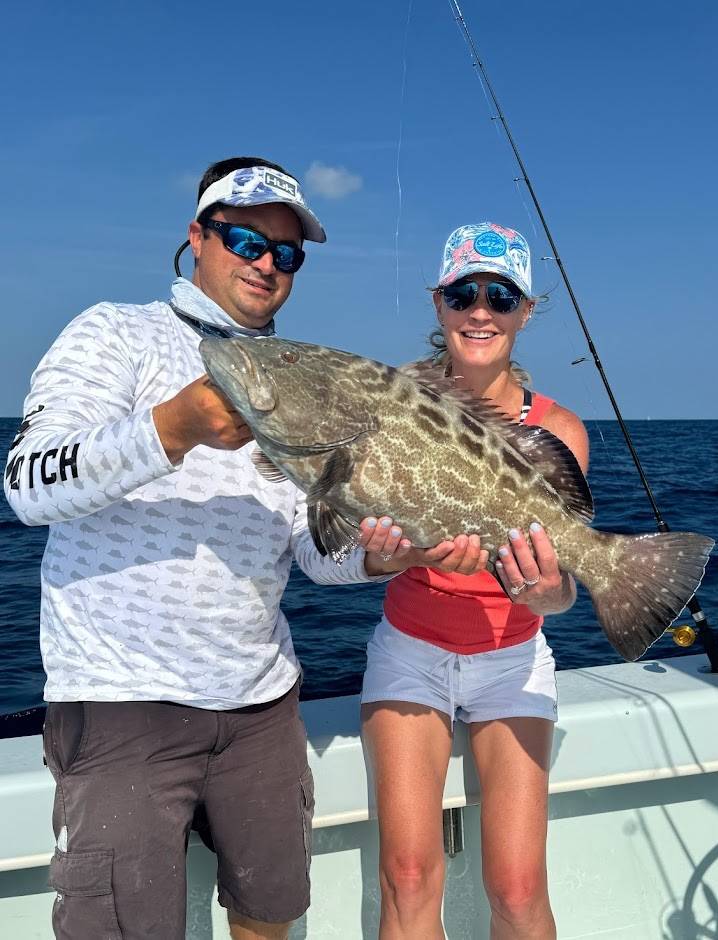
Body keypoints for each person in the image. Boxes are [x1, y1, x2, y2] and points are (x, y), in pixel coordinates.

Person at [2, 157, 482, 940]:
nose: (265, 263)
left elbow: (310, 549)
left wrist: (381, 558)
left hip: (262, 706)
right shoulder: (114, 331)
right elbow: (27, 484)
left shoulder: (297, 380)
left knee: (269, 918)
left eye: (285, 252)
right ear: (198, 236)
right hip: (123, 702)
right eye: (245, 240)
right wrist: (173, 428)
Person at [360, 223, 590, 940]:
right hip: (410, 653)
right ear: (438, 303)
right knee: (406, 874)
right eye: (463, 294)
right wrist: (393, 554)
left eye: (501, 297)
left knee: (518, 890)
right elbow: (359, 534)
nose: (480, 311)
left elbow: (562, 588)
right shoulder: (393, 400)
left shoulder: (557, 430)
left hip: (512, 661)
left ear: (525, 312)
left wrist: (544, 593)